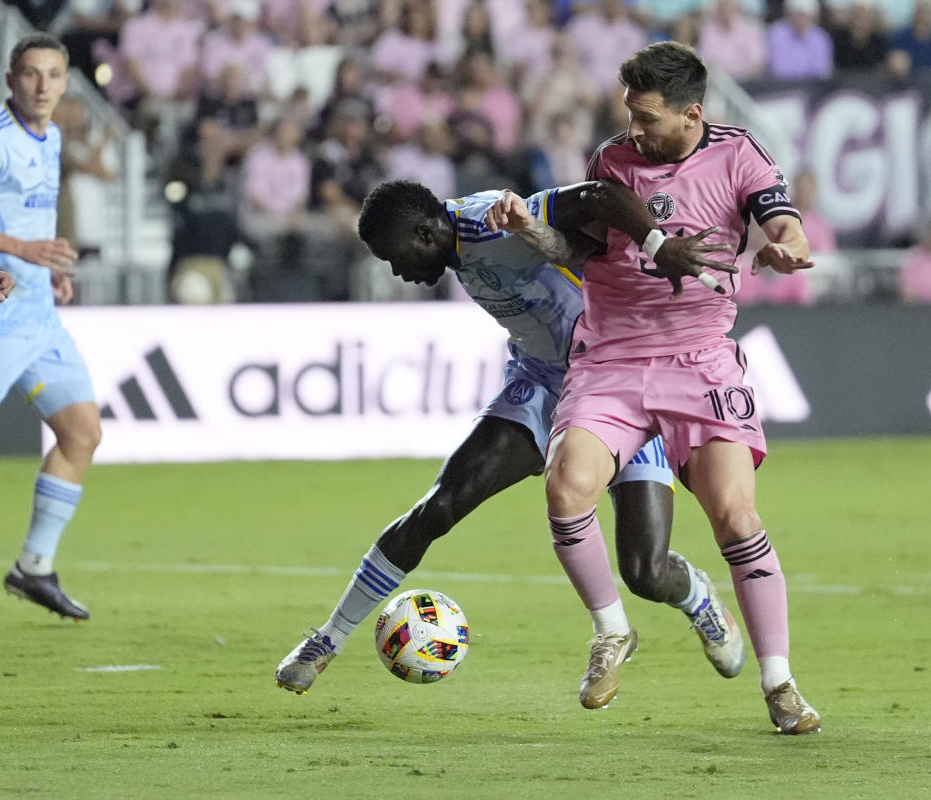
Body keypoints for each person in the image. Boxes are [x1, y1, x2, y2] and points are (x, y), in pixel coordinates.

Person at [274, 177, 744, 694]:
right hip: (541, 385)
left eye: (395, 256)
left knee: (645, 572)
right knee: (440, 506)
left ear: (425, 232)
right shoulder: (450, 243)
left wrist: (658, 244)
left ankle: (697, 596)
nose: (398, 272)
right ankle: (326, 641)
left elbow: (599, 196)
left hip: (621, 382)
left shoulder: (488, 223)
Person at [521, 40, 822, 734]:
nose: (634, 130)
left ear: (691, 115)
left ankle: (780, 686)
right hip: (615, 358)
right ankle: (610, 633)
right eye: (630, 114)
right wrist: (541, 237)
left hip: (699, 359)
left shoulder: (740, 154)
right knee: (566, 486)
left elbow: (779, 215)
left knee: (735, 517)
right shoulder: (612, 160)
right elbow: (591, 243)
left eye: (648, 118)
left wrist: (784, 243)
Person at [0, 34, 100, 621]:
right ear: (11, 79)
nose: (42, 86)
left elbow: (34, 209)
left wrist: (48, 268)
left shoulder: (51, 135)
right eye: (31, 74)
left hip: (40, 316)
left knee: (81, 433)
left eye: (53, 75)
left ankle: (34, 567)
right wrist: (20, 250)